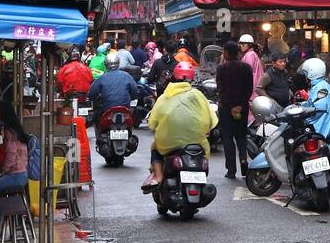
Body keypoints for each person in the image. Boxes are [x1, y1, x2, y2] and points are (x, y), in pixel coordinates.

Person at [143, 61, 217, 191]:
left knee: (155, 147)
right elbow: (211, 120)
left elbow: (152, 124)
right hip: (197, 144)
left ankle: (159, 176)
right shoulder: (198, 95)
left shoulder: (164, 96)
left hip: (168, 144)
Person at [0, 112, 30, 243]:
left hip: (14, 176)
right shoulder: (19, 132)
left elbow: (10, 157)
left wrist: (1, 172)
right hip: (23, 175)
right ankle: (3, 220)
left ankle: (1, 218)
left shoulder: (9, 133)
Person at [215, 42, 254, 180]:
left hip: (226, 108)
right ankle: (244, 160)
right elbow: (249, 88)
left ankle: (231, 170)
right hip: (242, 108)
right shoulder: (246, 68)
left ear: (226, 53)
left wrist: (231, 107)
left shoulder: (221, 69)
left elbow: (221, 90)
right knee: (241, 136)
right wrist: (240, 105)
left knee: (227, 138)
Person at [87, 52, 143, 130]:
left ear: (106, 65)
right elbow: (135, 91)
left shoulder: (101, 78)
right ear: (118, 63)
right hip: (125, 108)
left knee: (97, 116)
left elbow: (91, 94)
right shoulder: (127, 76)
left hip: (107, 108)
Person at [299, 57, 330, 140]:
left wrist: (305, 116)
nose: (305, 77)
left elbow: (319, 109)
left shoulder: (321, 87)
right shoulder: (320, 85)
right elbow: (315, 102)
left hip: (327, 130)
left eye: (306, 73)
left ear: (312, 73)